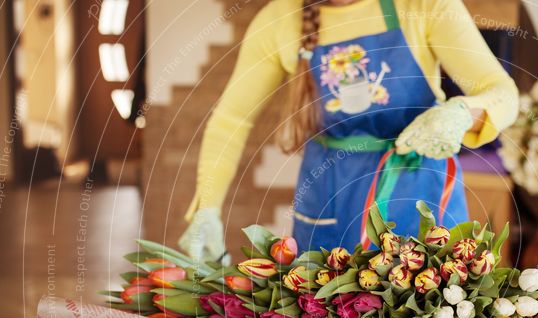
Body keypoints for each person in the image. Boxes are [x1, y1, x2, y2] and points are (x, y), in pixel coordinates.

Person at [179, 0, 518, 261]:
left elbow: (501, 90)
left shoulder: (423, 5)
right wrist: (207, 208)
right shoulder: (278, 20)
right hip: (330, 197)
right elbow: (232, 119)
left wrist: (462, 113)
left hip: (420, 191)